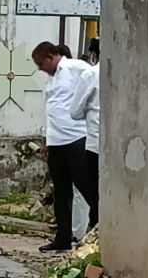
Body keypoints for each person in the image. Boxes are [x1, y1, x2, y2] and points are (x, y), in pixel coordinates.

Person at [32, 41, 92, 252]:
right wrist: (46, 139)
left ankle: (97, 228)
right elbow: (50, 110)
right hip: (56, 142)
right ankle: (63, 237)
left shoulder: (77, 68)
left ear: (51, 56)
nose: (40, 69)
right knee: (61, 192)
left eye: (41, 63)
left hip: (76, 138)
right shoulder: (51, 79)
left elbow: (95, 86)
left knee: (85, 186)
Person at [70, 37, 101, 229]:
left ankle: (85, 233)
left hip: (94, 142)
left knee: (88, 191)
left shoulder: (91, 75)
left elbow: (75, 111)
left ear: (93, 55)